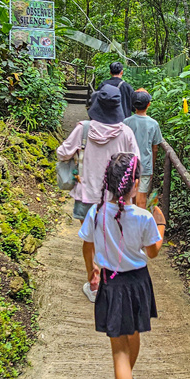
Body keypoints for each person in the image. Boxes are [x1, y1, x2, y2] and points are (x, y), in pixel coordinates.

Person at [79, 152, 166, 379]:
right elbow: (153, 253)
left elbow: (87, 245)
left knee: (118, 350)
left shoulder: (96, 213)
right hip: (139, 283)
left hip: (112, 284)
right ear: (135, 183)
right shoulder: (143, 217)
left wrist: (92, 270)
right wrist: (162, 229)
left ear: (108, 182)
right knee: (134, 336)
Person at [57, 84, 139, 301]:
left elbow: (62, 153)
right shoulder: (126, 132)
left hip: (87, 194)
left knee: (90, 239)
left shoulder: (83, 129)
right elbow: (134, 164)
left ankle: (94, 285)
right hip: (116, 197)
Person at [123, 89, 164, 208]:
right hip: (145, 165)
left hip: (129, 164)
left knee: (130, 196)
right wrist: (152, 165)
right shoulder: (154, 124)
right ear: (148, 105)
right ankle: (139, 223)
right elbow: (155, 148)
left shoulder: (126, 122)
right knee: (142, 197)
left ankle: (128, 222)